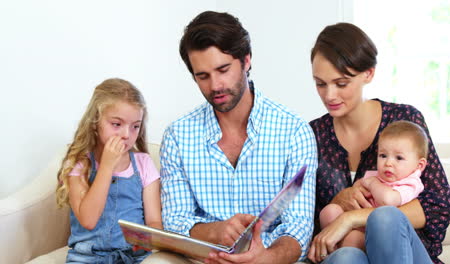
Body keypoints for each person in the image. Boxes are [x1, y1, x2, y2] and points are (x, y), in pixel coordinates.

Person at [144, 11, 317, 264]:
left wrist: (264, 258)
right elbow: (175, 221)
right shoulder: (178, 136)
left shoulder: (294, 132)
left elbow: (298, 227)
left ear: (246, 61)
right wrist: (216, 231)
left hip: (270, 259)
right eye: (202, 76)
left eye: (223, 69)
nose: (215, 85)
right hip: (203, 257)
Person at [307, 22, 450, 264]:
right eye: (320, 84)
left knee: (385, 218)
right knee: (345, 258)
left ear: (369, 73)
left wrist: (353, 218)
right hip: (348, 255)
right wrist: (337, 204)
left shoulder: (405, 120)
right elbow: (303, 223)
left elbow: (440, 205)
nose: (329, 95)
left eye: (341, 83)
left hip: (407, 255)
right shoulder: (312, 135)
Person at [56, 78, 162, 263]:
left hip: (133, 256)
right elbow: (89, 220)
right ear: (95, 122)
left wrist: (146, 241)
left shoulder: (144, 163)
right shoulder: (79, 164)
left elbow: (154, 221)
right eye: (116, 124)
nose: (126, 135)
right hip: (87, 257)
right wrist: (106, 166)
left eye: (135, 126)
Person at [319, 120, 428, 250]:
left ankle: (341, 249)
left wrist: (372, 183)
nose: (388, 163)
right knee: (329, 211)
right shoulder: (376, 175)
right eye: (383, 155)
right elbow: (357, 188)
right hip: (357, 223)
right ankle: (332, 246)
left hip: (378, 235)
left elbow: (388, 201)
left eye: (398, 158)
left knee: (353, 239)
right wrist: (357, 188)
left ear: (419, 165)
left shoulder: (411, 183)